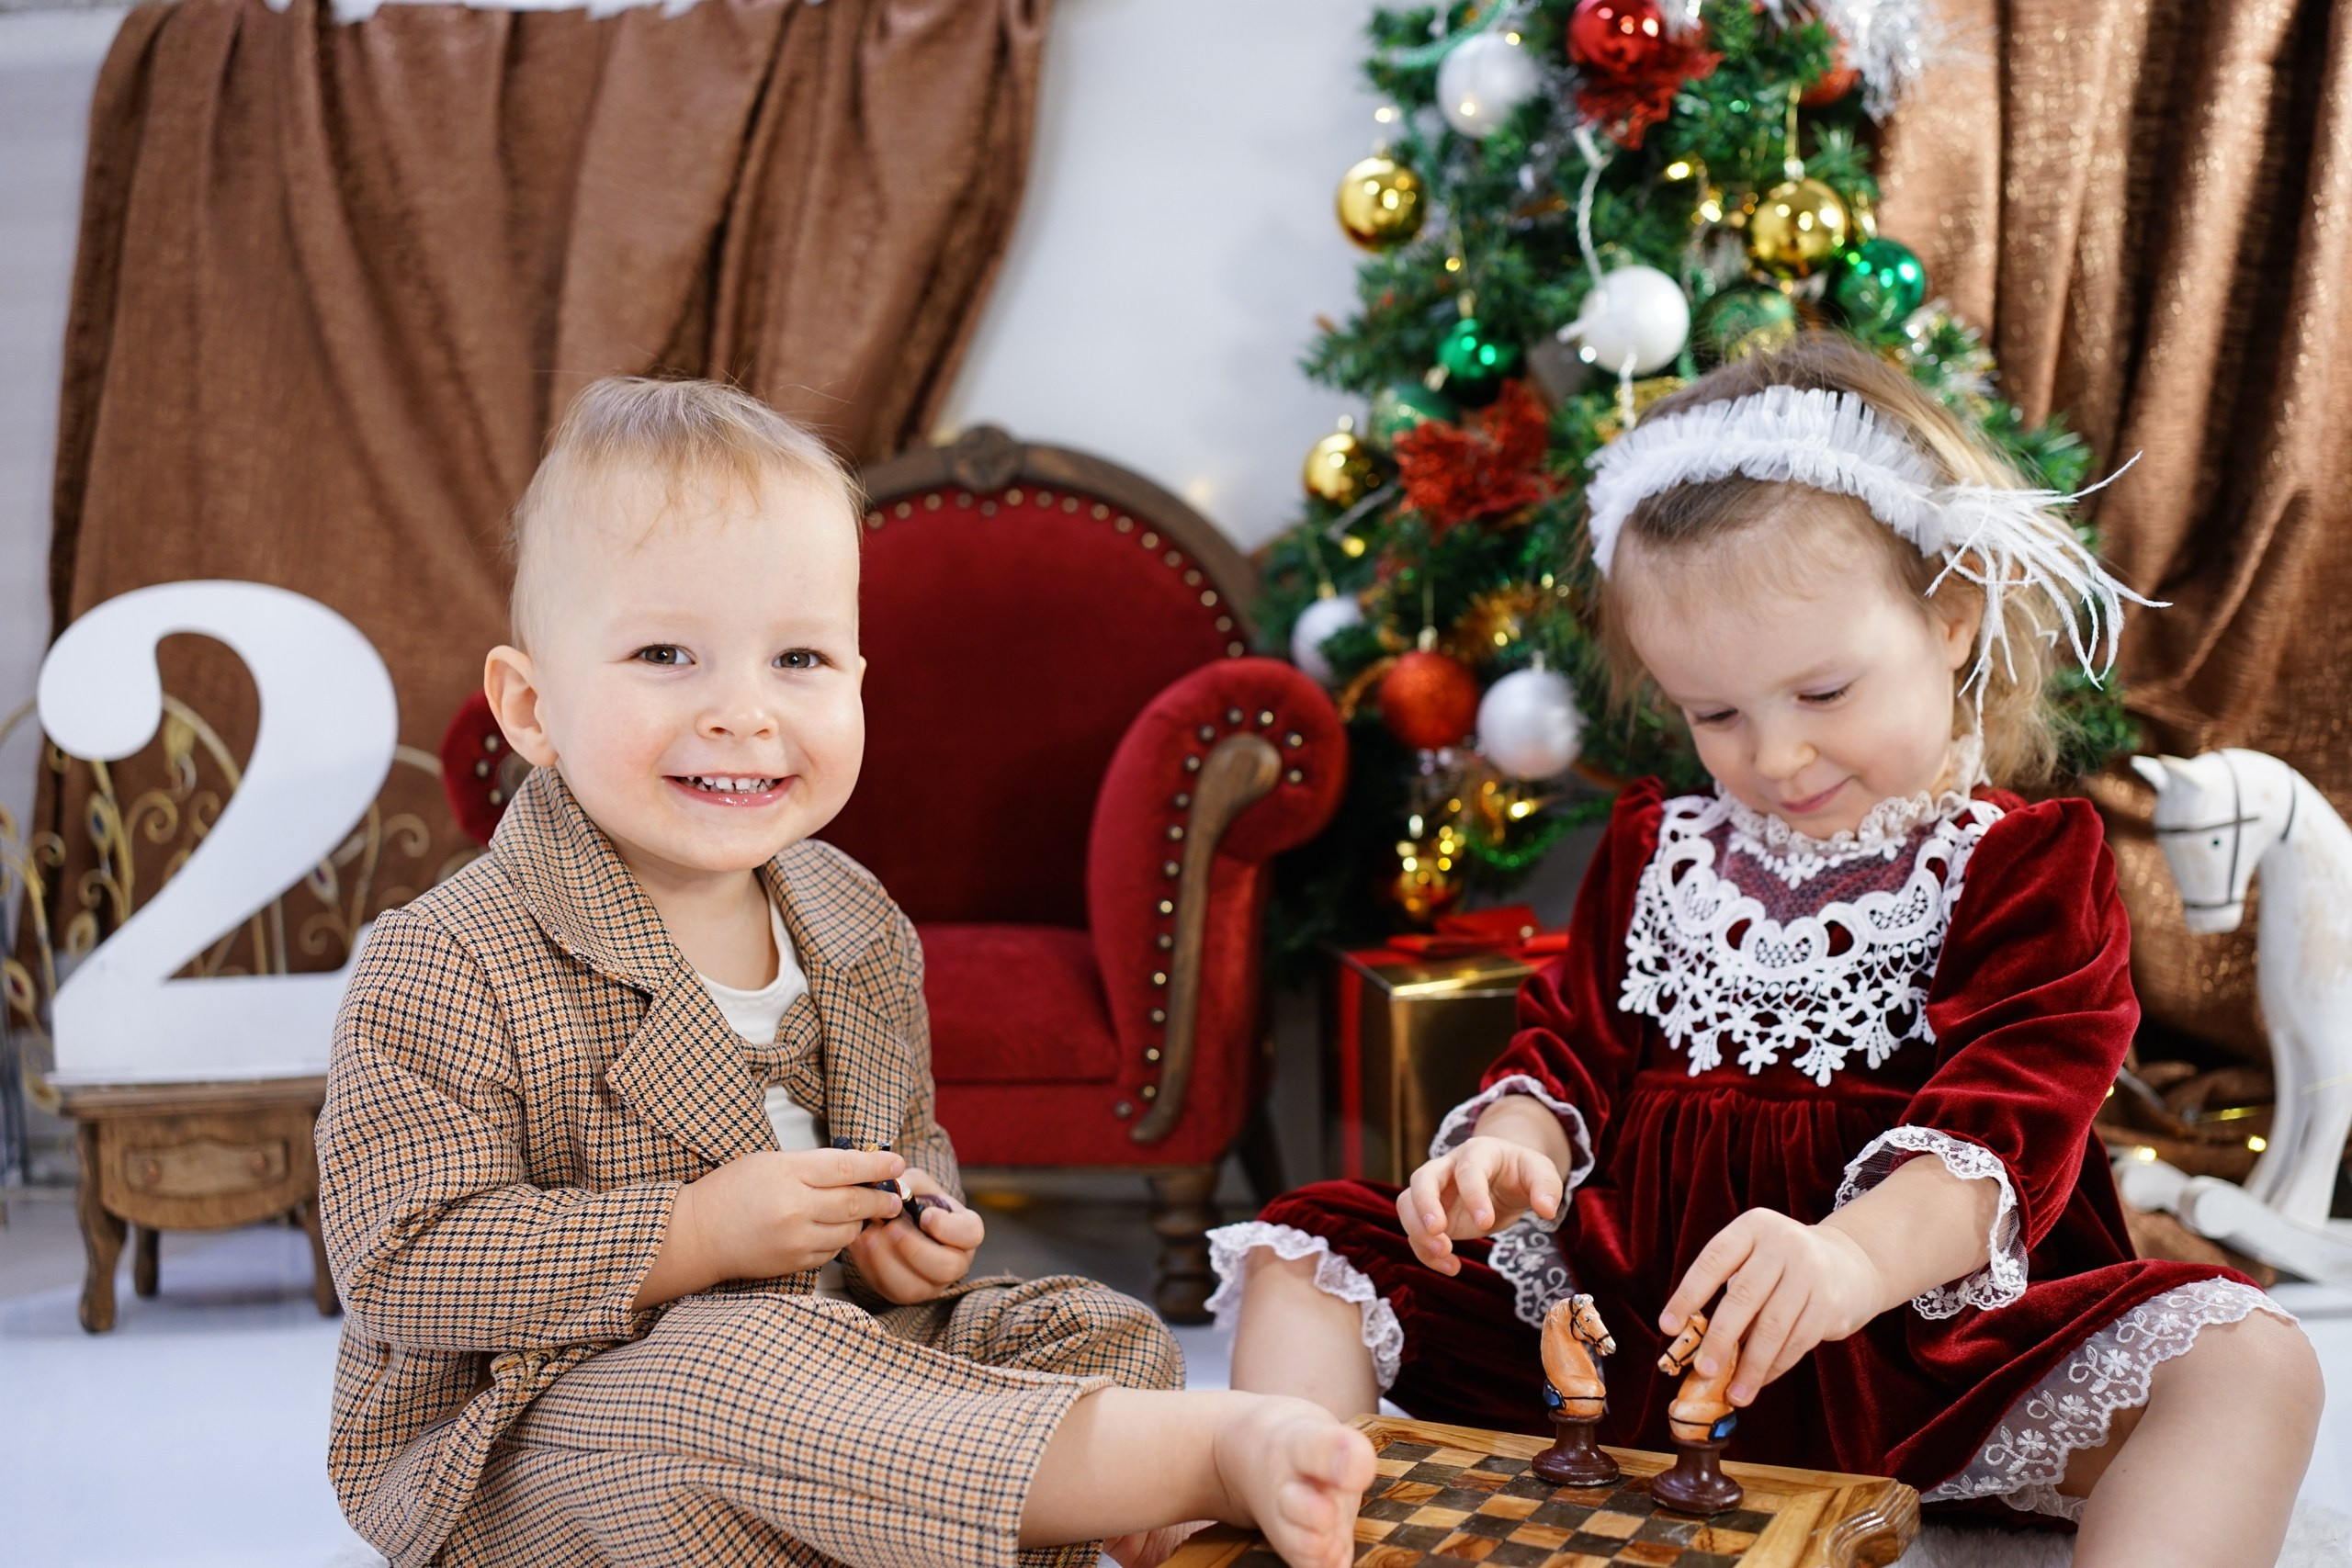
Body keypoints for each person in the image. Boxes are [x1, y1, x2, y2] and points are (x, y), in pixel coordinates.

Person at [1211, 336, 2322, 1567]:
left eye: (1824, 693)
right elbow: (1569, 1045)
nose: (1776, 757)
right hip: (1635, 1334)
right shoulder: (1659, 844)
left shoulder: (2021, 861)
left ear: (1952, 620)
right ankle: (1297, 1534)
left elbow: (2014, 1121)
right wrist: (1509, 1156)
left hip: (1913, 1349)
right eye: (1716, 714)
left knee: (2252, 1364)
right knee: (1304, 1254)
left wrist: (1848, 1260)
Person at [315, 377, 1373, 1568]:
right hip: (546, 1420)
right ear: (531, 705)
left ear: (861, 682)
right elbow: (403, 1263)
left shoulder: (851, 916)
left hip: (846, 1349)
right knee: (729, 1374)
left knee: (1090, 1327)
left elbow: (904, 1136)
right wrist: (696, 1233)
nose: (743, 713)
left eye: (801, 659)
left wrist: (914, 1226)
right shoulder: (448, 956)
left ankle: (1156, 1524)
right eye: (666, 654)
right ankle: (1195, 1457)